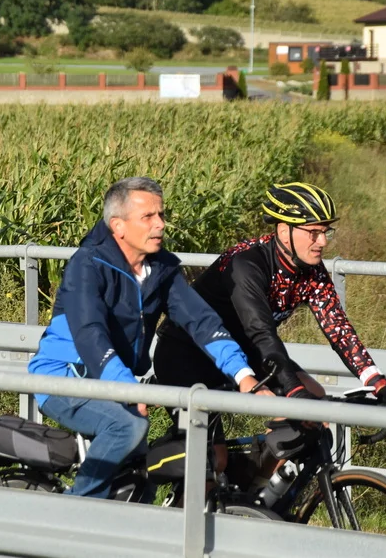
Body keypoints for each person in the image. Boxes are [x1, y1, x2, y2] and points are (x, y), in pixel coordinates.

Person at [28, 176, 270, 499]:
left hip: (113, 383)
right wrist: (126, 388)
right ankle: (77, 510)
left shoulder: (161, 271)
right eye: (148, 217)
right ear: (119, 226)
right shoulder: (87, 265)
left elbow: (202, 322)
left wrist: (243, 375)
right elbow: (90, 333)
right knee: (127, 427)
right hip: (61, 378)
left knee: (144, 471)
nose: (160, 225)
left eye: (162, 215)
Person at [153, 182, 386, 468]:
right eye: (313, 232)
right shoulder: (246, 264)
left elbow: (340, 331)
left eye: (326, 231)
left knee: (314, 399)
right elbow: (261, 332)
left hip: (246, 353)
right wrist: (292, 392)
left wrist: (380, 385)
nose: (323, 241)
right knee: (215, 459)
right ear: (283, 231)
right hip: (186, 355)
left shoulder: (311, 272)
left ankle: (258, 500)